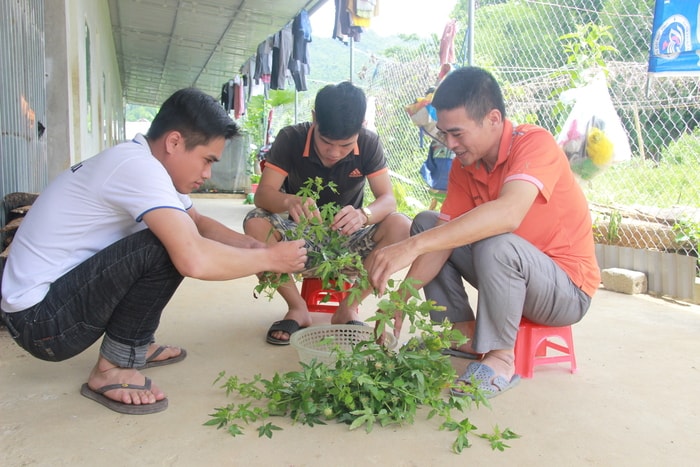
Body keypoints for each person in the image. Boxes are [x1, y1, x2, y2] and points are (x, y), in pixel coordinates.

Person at [0, 88, 307, 414]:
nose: (208, 174)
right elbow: (194, 258)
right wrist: (270, 258)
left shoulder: (141, 162)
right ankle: (111, 369)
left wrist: (255, 246)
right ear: (174, 142)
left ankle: (135, 345)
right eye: (207, 160)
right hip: (41, 325)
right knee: (167, 245)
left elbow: (198, 221)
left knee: (176, 231)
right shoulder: (138, 168)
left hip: (47, 307)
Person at [366, 67, 600, 398]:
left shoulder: (535, 144)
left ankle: (502, 358)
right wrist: (401, 298)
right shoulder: (466, 164)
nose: (450, 143)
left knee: (496, 241)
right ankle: (463, 335)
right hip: (511, 273)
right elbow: (443, 237)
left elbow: (508, 214)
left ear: (493, 118)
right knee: (427, 223)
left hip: (565, 291)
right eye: (445, 133)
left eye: (458, 133)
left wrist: (411, 247)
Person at [243, 81, 411, 345]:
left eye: (345, 145)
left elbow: (388, 200)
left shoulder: (369, 143)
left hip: (348, 242)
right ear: (313, 119)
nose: (334, 153)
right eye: (326, 142)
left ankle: (348, 308)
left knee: (401, 225)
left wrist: (364, 214)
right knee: (255, 223)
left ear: (361, 126)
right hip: (299, 241)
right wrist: (289, 202)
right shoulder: (291, 138)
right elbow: (263, 195)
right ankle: (297, 308)